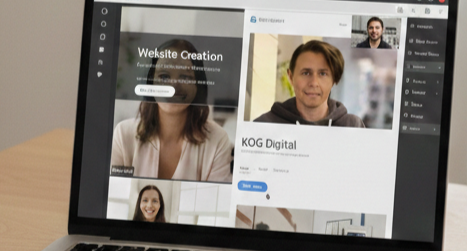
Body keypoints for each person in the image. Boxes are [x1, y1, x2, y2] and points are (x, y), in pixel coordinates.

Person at [111, 38, 233, 182]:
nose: (173, 85)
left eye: (185, 77)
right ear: (151, 82)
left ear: (198, 86)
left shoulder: (218, 141)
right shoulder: (123, 134)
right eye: (164, 76)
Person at [254, 41, 365, 127]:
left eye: (322, 74)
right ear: (291, 77)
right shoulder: (263, 125)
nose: (313, 83)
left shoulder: (352, 125)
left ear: (334, 79)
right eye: (306, 73)